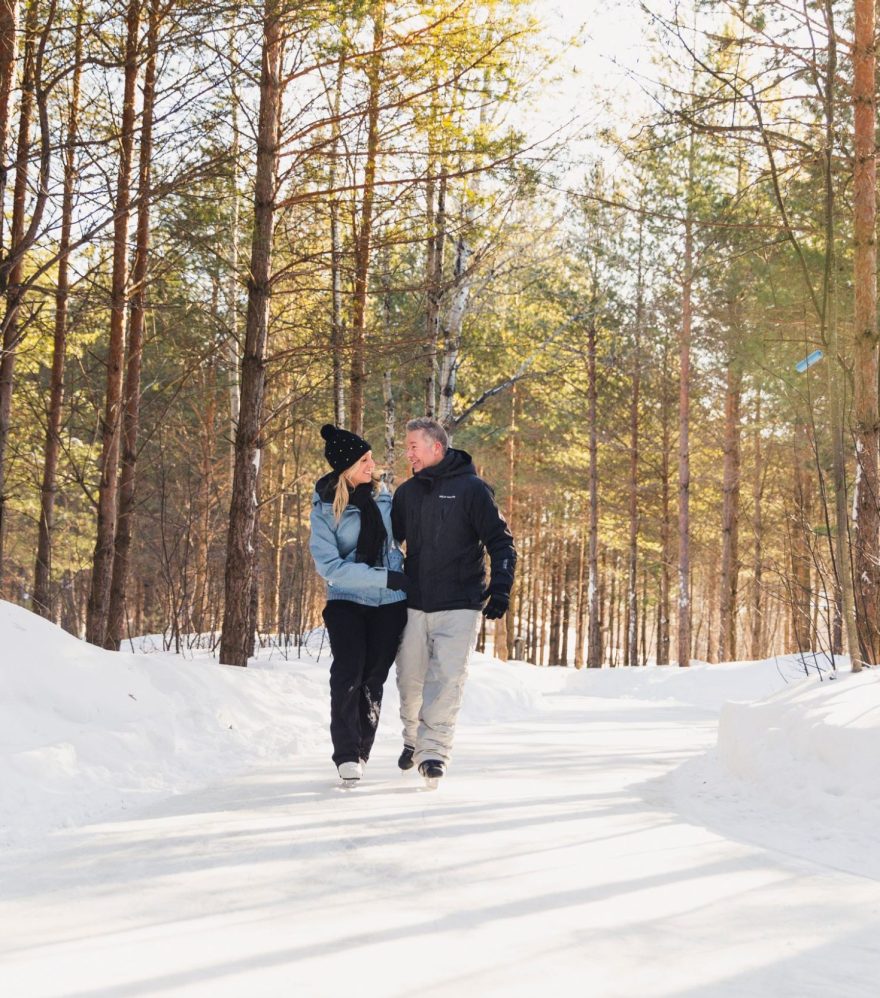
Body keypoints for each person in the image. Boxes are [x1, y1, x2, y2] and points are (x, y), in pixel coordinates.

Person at [391, 417, 515, 784]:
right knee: (410, 682)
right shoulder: (406, 493)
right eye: (406, 446)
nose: (407, 452)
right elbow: (388, 545)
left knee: (446, 680)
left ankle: (435, 752)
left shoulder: (474, 490)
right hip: (413, 603)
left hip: (460, 603)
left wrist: (502, 584)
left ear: (436, 448)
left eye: (413, 446)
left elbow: (501, 541)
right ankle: (414, 740)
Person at [309, 424, 409, 786]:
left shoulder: (387, 498)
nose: (373, 465)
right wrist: (383, 577)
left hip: (391, 603)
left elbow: (408, 538)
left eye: (370, 458)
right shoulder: (324, 509)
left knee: (373, 679)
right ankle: (347, 753)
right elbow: (330, 567)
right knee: (348, 674)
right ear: (346, 467)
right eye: (365, 460)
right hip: (347, 601)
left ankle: (362, 751)